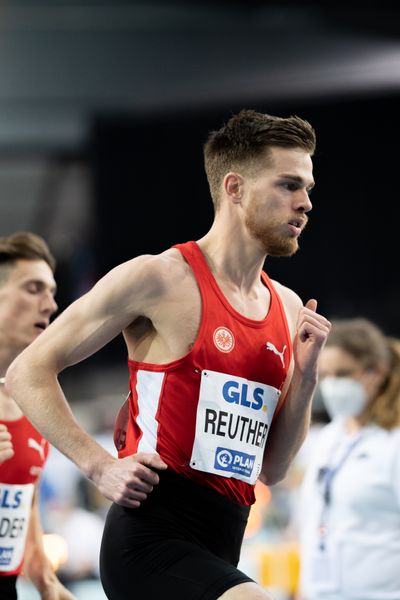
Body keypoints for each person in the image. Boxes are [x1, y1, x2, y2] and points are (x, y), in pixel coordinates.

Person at [5, 109, 331, 600]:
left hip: (224, 542)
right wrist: (99, 466)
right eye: (289, 185)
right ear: (234, 187)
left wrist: (304, 381)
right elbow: (28, 369)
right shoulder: (158, 279)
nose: (305, 203)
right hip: (150, 539)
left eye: (308, 188)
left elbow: (273, 468)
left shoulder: (286, 308)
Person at [297, 317, 400, 600]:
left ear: (375, 374)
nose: (331, 385)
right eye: (325, 375)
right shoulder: (328, 438)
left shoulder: (394, 442)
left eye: (342, 374)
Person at [0, 232, 76, 600]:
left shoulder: (34, 401)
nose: (50, 305)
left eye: (51, 291)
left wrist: (47, 583)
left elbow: (22, 502)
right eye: (33, 289)